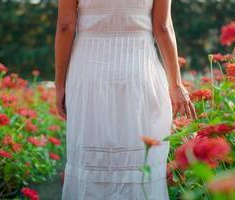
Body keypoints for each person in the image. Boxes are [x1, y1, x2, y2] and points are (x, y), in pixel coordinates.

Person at [54, 0, 196, 199]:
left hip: (89, 72)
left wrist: (59, 84)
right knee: (140, 159)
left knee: (92, 155)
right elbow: (163, 28)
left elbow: (65, 26)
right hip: (139, 71)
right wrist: (176, 84)